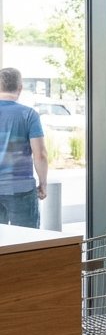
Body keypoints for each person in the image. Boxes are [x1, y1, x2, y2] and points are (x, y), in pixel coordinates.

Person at [0, 68, 48, 228]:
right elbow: (40, 154)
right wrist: (43, 183)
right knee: (26, 245)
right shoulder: (29, 115)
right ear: (20, 88)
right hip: (21, 189)